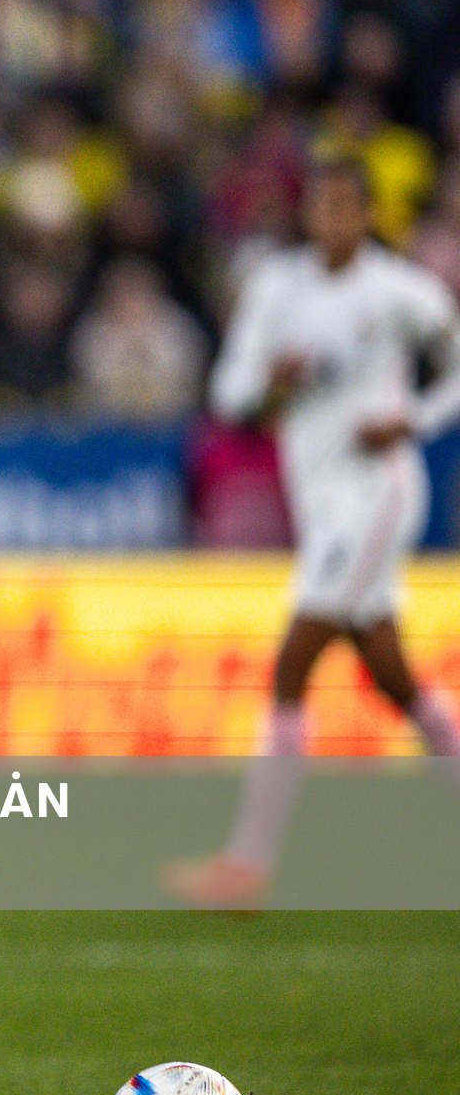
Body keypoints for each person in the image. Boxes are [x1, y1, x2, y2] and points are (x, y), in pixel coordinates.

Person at [166, 154, 460, 908]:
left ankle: (247, 863)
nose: (332, 221)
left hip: (378, 493)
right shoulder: (277, 288)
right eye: (320, 207)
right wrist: (273, 385)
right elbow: (229, 392)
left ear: (368, 215)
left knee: (292, 664)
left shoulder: (402, 292)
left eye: (345, 207)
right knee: (391, 675)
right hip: (320, 501)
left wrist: (413, 419)